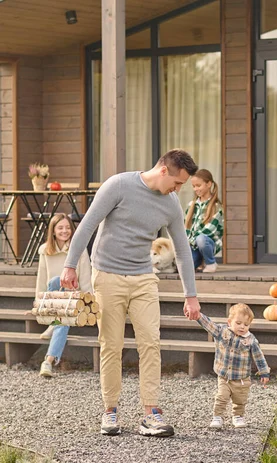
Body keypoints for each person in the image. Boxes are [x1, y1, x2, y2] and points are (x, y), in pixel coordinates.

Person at [60, 149, 201, 438]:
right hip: (108, 275)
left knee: (151, 342)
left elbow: (183, 252)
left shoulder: (171, 204)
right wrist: (70, 266)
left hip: (143, 277)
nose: (178, 190)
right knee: (111, 344)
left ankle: (151, 413)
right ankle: (110, 410)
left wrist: (191, 295)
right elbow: (87, 226)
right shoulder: (119, 186)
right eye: (177, 183)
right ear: (163, 170)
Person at [36, 213, 92, 378]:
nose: (64, 231)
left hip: (73, 298)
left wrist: (89, 299)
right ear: (53, 231)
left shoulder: (79, 250)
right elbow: (41, 280)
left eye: (68, 227)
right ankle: (48, 361)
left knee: (61, 316)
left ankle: (48, 358)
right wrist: (38, 304)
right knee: (54, 282)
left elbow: (86, 277)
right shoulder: (45, 251)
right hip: (54, 300)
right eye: (60, 228)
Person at [197, 303, 270, 429]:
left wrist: (264, 372)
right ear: (229, 322)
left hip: (242, 378)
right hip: (224, 376)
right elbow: (209, 325)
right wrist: (198, 316)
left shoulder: (250, 339)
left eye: (246, 325)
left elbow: (259, 356)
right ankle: (217, 417)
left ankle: (238, 416)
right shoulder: (222, 332)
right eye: (239, 323)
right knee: (221, 397)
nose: (242, 327)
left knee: (240, 400)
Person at [185, 168, 223, 273]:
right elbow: (186, 227)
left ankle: (210, 263)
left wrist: (191, 241)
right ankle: (199, 260)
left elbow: (209, 231)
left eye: (198, 185)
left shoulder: (217, 206)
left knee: (201, 239)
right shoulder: (191, 205)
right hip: (193, 247)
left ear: (208, 184)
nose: (195, 189)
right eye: (193, 186)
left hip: (207, 244)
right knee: (184, 268)